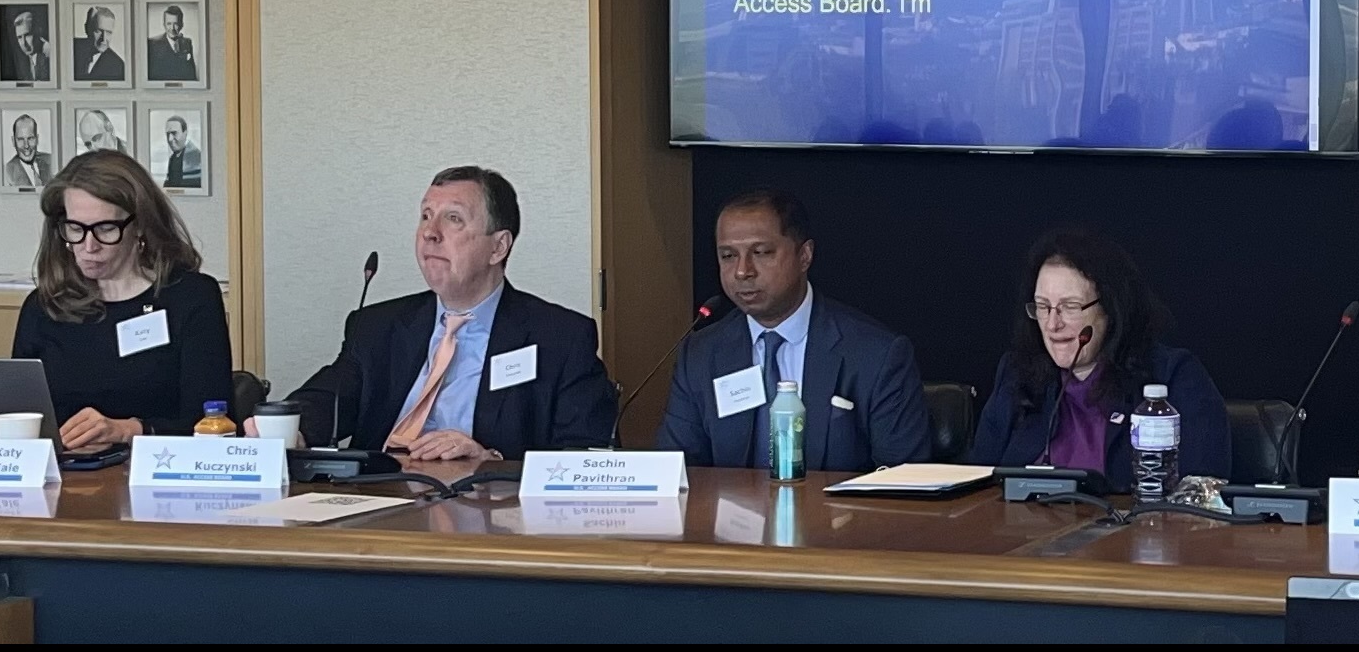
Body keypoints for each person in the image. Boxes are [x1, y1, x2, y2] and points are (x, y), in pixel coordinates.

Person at [259, 167, 615, 459]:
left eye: (453, 219)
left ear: (498, 246)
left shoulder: (560, 337)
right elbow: (329, 400)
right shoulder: (378, 326)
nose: (429, 233)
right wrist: (292, 426)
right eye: (426, 216)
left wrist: (489, 462)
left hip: (488, 513)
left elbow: (585, 455)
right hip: (379, 505)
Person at [657, 190, 929, 470]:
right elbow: (679, 472)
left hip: (835, 515)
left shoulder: (876, 354)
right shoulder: (701, 354)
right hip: (729, 513)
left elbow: (903, 484)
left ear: (804, 256)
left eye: (760, 253)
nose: (742, 271)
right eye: (728, 256)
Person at [967, 228, 1230, 490]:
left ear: (1110, 308)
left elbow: (1201, 494)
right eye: (1043, 307)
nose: (1052, 324)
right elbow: (975, 484)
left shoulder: (1173, 377)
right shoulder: (1017, 376)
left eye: (1070, 307)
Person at [11, 150, 232, 450]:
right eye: (75, 229)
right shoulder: (44, 307)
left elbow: (212, 422)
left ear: (140, 224)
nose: (89, 246)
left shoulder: (191, 298)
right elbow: (20, 419)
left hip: (158, 476)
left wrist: (129, 430)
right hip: (66, 477)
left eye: (105, 229)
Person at [73, 6, 127, 81]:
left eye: (109, 33)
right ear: (87, 28)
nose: (104, 39)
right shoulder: (71, 49)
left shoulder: (119, 67)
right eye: (99, 31)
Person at [147, 4, 198, 82]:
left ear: (182, 25)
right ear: (164, 25)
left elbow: (191, 74)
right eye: (169, 24)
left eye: (176, 24)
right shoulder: (152, 44)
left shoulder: (187, 43)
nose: (172, 28)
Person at [0, 8, 52, 82]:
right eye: (19, 37)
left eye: (27, 35)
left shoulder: (49, 56)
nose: (23, 43)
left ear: (38, 32)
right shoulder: (27, 59)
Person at [4, 114, 51, 189]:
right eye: (21, 139)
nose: (26, 145)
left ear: (37, 139)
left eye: (30, 138)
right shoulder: (7, 173)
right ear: (13, 141)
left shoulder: (51, 161)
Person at [160, 115, 203, 190]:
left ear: (185, 133)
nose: (170, 139)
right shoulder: (173, 157)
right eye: (167, 134)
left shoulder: (196, 158)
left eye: (174, 133)